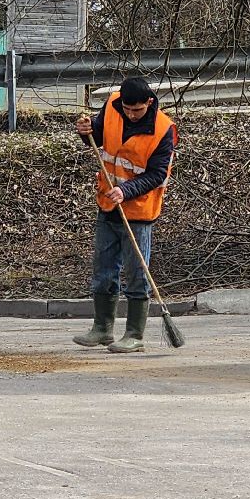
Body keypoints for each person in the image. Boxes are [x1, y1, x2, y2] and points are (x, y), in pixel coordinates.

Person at [72, 76, 177, 354]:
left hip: (139, 210)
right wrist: (85, 131)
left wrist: (126, 190)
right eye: (127, 109)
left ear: (149, 103)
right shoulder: (113, 105)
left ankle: (134, 334)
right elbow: (97, 136)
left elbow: (158, 174)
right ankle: (102, 328)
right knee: (103, 269)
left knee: (136, 272)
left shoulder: (163, 130)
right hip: (108, 203)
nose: (131, 114)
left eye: (137, 110)